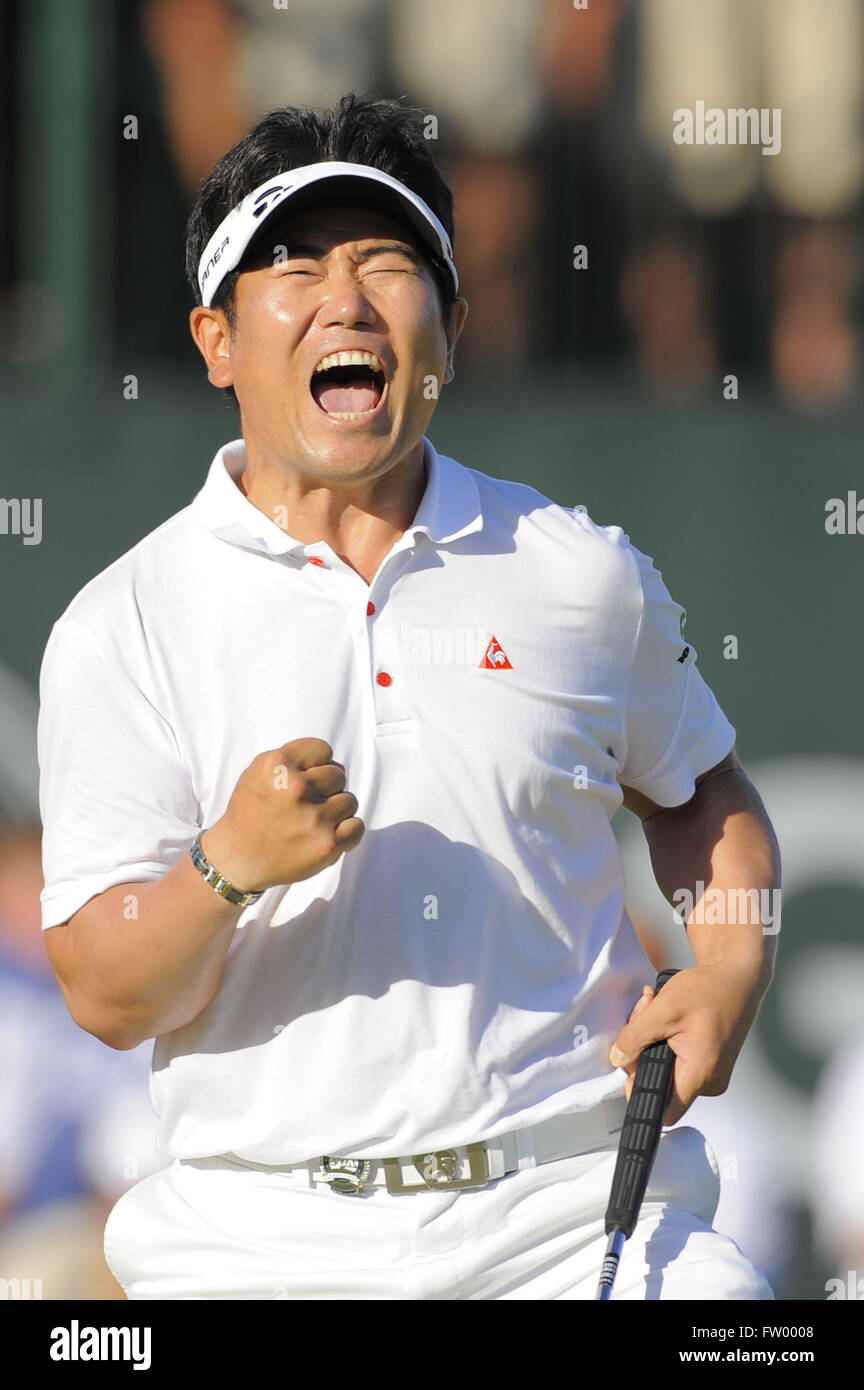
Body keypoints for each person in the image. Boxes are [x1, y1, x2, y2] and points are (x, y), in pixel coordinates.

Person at [38, 93, 780, 1301]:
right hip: (255, 1243)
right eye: (292, 264)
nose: (346, 298)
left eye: (388, 262)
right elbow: (108, 993)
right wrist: (226, 866)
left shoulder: (579, 570)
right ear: (215, 341)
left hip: (576, 1217)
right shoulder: (123, 625)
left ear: (451, 328)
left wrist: (731, 962)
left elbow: (702, 793)